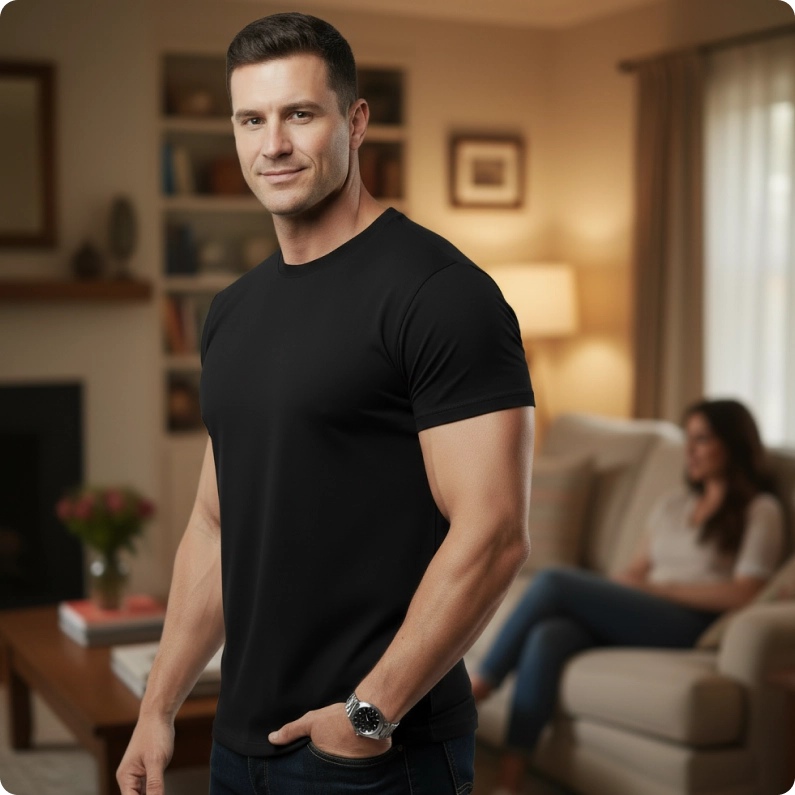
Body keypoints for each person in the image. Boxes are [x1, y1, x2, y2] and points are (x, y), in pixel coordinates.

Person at [116, 12, 536, 795]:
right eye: (251, 119)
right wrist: (160, 704)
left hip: (376, 753)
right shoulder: (232, 311)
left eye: (298, 114)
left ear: (355, 119)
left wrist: (368, 714)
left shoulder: (440, 295)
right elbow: (214, 523)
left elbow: (495, 532)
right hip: (237, 744)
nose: (271, 143)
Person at [470, 398, 787, 795]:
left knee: (553, 582)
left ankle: (478, 688)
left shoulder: (761, 510)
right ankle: (510, 783)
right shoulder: (674, 504)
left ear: (733, 444)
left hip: (691, 622)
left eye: (702, 439)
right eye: (688, 438)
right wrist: (618, 588)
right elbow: (637, 569)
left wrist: (657, 589)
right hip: (646, 611)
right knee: (549, 635)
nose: (689, 450)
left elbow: (745, 593)